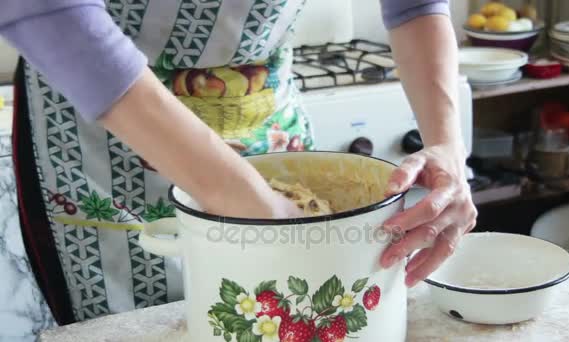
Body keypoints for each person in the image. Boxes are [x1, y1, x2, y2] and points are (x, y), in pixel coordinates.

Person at [1, 0, 476, 326]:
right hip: (105, 131)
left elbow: (414, 6)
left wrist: (447, 148)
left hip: (264, 116)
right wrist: (245, 198)